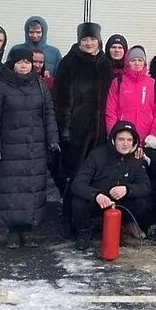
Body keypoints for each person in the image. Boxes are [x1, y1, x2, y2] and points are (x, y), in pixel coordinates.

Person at [0, 47, 60, 248]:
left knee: (32, 189)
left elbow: (49, 114)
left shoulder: (40, 85)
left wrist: (53, 140)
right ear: (13, 64)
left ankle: (28, 230)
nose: (24, 66)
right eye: (20, 62)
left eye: (27, 62)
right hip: (9, 147)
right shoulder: (2, 86)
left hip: (34, 146)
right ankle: (12, 231)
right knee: (11, 190)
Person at [53, 22, 113, 238]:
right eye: (84, 40)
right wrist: (65, 128)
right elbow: (61, 99)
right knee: (75, 177)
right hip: (76, 132)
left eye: (92, 39)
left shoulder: (105, 65)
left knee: (97, 177)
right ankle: (69, 221)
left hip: (101, 132)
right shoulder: (69, 63)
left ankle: (92, 221)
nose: (88, 43)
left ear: (98, 40)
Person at [71, 120, 153, 251]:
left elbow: (145, 186)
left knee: (142, 202)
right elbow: (77, 184)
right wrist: (96, 195)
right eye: (121, 139)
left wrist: (127, 189)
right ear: (113, 139)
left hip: (120, 203)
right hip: (98, 202)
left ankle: (124, 225)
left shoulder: (136, 160)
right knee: (78, 201)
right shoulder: (96, 155)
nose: (125, 143)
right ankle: (84, 232)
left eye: (129, 140)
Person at [105, 46, 156, 148]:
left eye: (140, 60)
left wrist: (153, 134)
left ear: (144, 62)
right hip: (124, 138)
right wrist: (113, 133)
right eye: (133, 60)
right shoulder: (118, 83)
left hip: (145, 139)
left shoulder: (153, 84)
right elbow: (111, 111)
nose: (137, 63)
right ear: (128, 62)